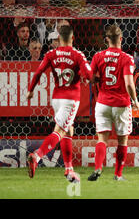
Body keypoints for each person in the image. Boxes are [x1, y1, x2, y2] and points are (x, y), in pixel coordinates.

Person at [26, 25, 93, 183]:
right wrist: (88, 76)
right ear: (72, 38)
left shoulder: (51, 54)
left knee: (69, 130)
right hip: (70, 100)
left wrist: (30, 90)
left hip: (56, 98)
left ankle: (69, 169)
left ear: (59, 39)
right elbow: (89, 75)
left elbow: (38, 72)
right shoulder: (78, 55)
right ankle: (37, 156)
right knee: (60, 131)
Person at [88, 25, 139, 182]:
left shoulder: (98, 56)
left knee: (102, 139)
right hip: (121, 104)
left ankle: (98, 168)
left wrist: (98, 79)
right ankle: (118, 175)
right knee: (122, 140)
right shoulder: (126, 58)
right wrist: (135, 100)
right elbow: (129, 83)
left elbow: (90, 78)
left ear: (107, 39)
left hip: (102, 103)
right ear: (121, 39)